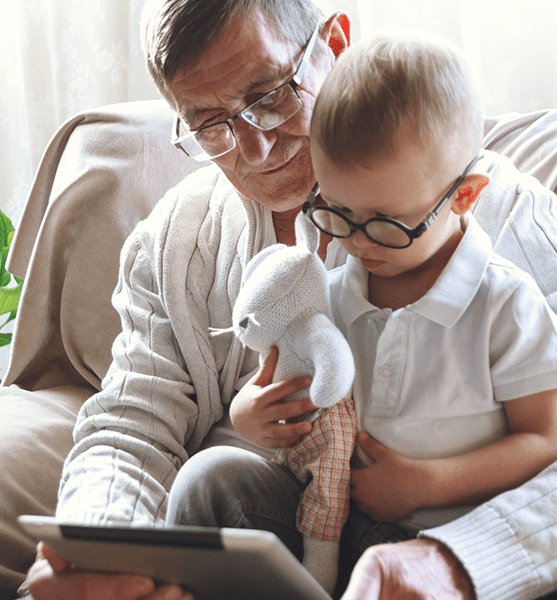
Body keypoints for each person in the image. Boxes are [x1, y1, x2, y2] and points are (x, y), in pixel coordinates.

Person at [27, 2, 557, 600]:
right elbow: (131, 427)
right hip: (293, 527)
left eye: (272, 95)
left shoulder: (500, 215)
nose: (254, 151)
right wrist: (103, 552)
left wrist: (459, 564)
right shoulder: (174, 245)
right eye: (211, 125)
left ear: (335, 42)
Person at [212, 27, 557, 595]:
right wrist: (253, 415)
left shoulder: (505, 304)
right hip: (332, 523)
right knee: (213, 479)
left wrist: (425, 485)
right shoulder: (331, 289)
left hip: (444, 545)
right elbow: (296, 394)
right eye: (336, 212)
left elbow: (544, 440)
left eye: (383, 223)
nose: (357, 242)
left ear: (464, 195)